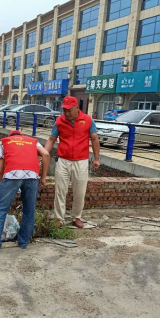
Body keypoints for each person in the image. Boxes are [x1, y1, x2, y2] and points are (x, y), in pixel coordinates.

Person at [0, 130, 50, 253]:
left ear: (10, 136)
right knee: (29, 210)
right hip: (32, 175)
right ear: (21, 137)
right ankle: (23, 242)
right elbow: (46, 154)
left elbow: (0, 169)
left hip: (12, 174)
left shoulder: (4, 142)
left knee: (0, 209)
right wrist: (43, 177)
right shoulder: (32, 141)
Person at [44, 96, 100, 228]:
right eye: (64, 110)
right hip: (63, 160)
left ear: (77, 108)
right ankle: (59, 218)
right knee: (60, 190)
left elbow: (95, 138)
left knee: (80, 191)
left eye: (69, 110)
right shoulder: (59, 121)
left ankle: (77, 217)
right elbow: (51, 139)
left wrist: (96, 159)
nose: (66, 113)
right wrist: (44, 154)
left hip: (81, 161)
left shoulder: (87, 120)